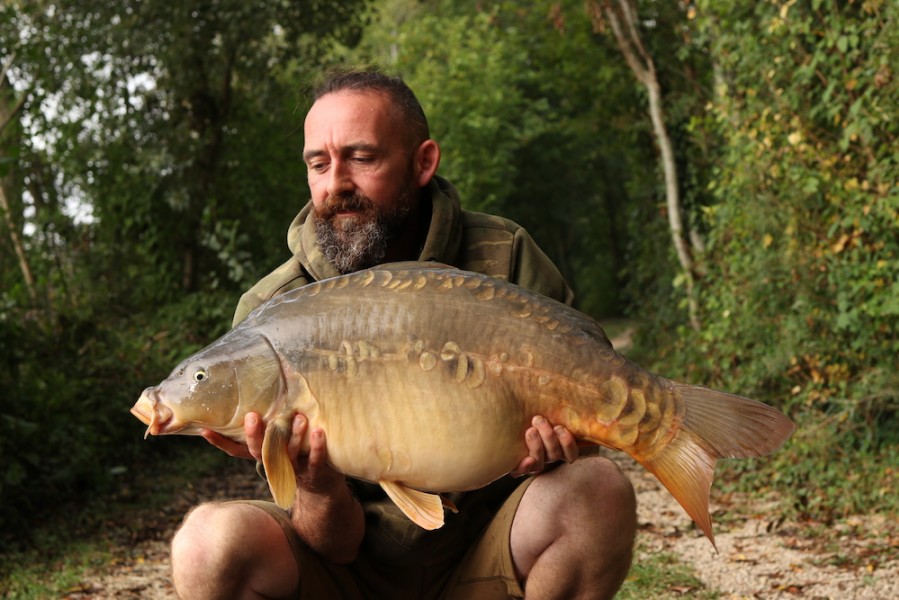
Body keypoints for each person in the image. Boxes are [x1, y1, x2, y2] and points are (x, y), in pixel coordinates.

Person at [170, 69, 636, 600]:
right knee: (206, 544)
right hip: (347, 574)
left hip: (486, 557)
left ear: (423, 162)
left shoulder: (504, 258)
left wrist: (558, 450)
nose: (335, 184)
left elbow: (584, 438)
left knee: (595, 491)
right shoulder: (271, 315)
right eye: (318, 164)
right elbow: (333, 544)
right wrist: (316, 483)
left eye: (361, 158)